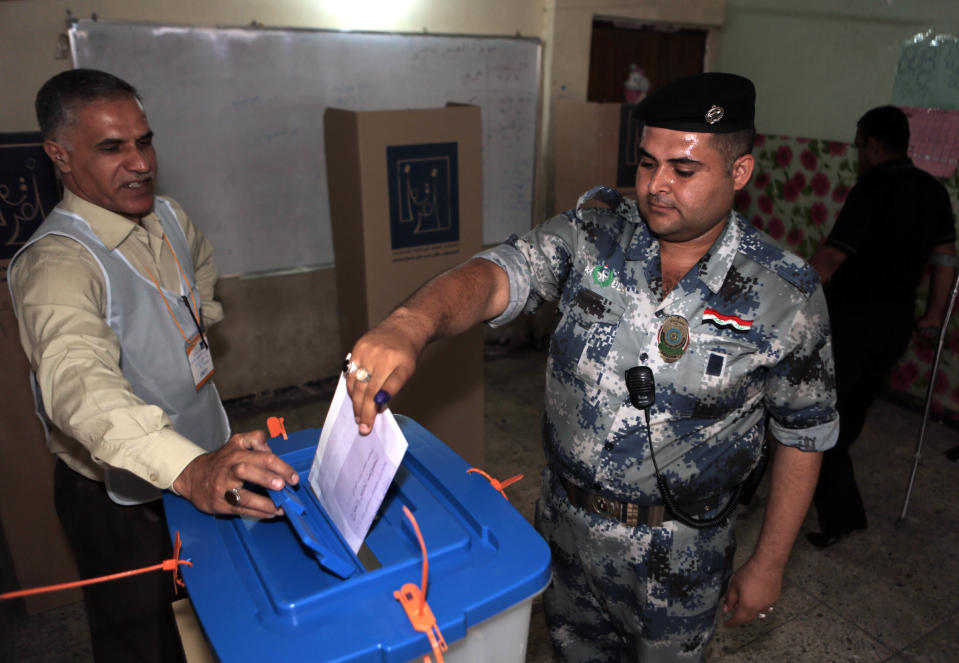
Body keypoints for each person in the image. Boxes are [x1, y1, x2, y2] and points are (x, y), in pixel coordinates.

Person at [344, 72, 838, 661]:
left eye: (683, 171)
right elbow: (501, 273)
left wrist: (769, 563)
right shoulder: (596, 229)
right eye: (647, 163)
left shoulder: (784, 293)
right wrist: (411, 323)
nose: (656, 186)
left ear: (739, 172)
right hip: (565, 530)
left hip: (679, 557)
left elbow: (803, 435)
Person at [8, 69, 299, 663]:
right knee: (140, 639)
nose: (139, 162)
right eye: (112, 148)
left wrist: (195, 323)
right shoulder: (55, 264)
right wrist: (189, 472)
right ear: (59, 155)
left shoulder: (166, 216)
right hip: (119, 497)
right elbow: (78, 388)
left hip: (206, 457)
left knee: (216, 610)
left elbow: (202, 272)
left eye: (144, 140)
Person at [807, 105, 957, 549]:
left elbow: (832, 258)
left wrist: (787, 293)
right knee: (850, 413)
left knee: (820, 418)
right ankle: (825, 481)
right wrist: (933, 315)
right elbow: (946, 259)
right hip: (895, 325)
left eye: (859, 146)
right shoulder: (933, 191)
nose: (859, 155)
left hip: (853, 321)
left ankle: (842, 515)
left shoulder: (872, 188)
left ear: (872, 144)